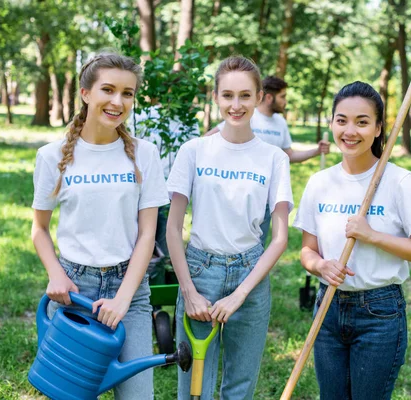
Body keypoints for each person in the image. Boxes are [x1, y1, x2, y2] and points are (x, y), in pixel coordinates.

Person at [31, 52, 169, 399]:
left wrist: (122, 299)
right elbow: (40, 229)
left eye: (128, 93)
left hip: (130, 292)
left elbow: (147, 234)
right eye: (108, 89)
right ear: (85, 93)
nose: (117, 101)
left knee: (138, 395)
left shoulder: (145, 153)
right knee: (69, 392)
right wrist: (56, 275)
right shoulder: (52, 156)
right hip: (74, 291)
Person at [292, 81, 411, 399]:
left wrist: (372, 236)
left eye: (362, 122)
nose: (350, 131)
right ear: (332, 122)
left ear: (377, 129)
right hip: (328, 307)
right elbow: (307, 250)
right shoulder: (319, 182)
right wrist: (320, 266)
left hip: (379, 312)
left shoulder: (398, 181)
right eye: (342, 120)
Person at [166, 56, 293, 399]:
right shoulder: (194, 150)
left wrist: (241, 293)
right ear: (216, 97)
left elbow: (280, 238)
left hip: (249, 275)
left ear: (258, 97)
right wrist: (189, 291)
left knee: (239, 387)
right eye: (227, 96)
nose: (236, 105)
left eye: (245, 96)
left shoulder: (274, 158)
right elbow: (173, 227)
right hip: (200, 270)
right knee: (194, 388)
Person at [206, 76, 330, 245]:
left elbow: (289, 155)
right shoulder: (246, 115)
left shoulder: (280, 122)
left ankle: (257, 271)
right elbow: (207, 140)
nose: (285, 101)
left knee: (257, 245)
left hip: (266, 196)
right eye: (283, 96)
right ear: (270, 97)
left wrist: (316, 151)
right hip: (241, 193)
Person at [131, 103, 200, 262]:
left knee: (166, 240)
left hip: (173, 190)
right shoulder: (145, 113)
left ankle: (163, 274)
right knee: (141, 239)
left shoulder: (188, 120)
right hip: (145, 187)